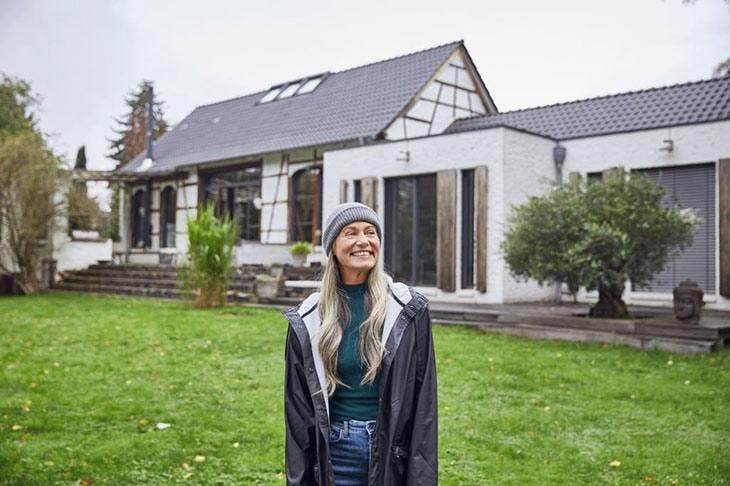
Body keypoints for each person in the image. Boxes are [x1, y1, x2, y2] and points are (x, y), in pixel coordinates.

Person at [283, 202, 438, 485]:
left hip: (393, 451)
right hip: (335, 453)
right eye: (350, 233)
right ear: (332, 247)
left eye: (370, 232)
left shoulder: (407, 309)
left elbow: (424, 404)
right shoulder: (308, 318)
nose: (363, 241)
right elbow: (298, 414)